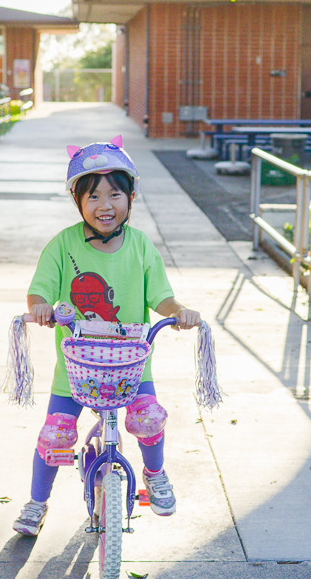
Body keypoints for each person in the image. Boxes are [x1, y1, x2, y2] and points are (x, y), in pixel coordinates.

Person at [13, 135, 200, 536]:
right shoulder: (64, 246)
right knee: (56, 433)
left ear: (131, 198)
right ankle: (36, 502)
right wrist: (41, 307)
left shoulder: (141, 246)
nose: (104, 206)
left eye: (115, 194)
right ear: (78, 202)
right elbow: (39, 289)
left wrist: (177, 312)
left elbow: (161, 296)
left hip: (131, 364)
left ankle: (154, 473)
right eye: (93, 196)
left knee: (149, 418)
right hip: (76, 370)